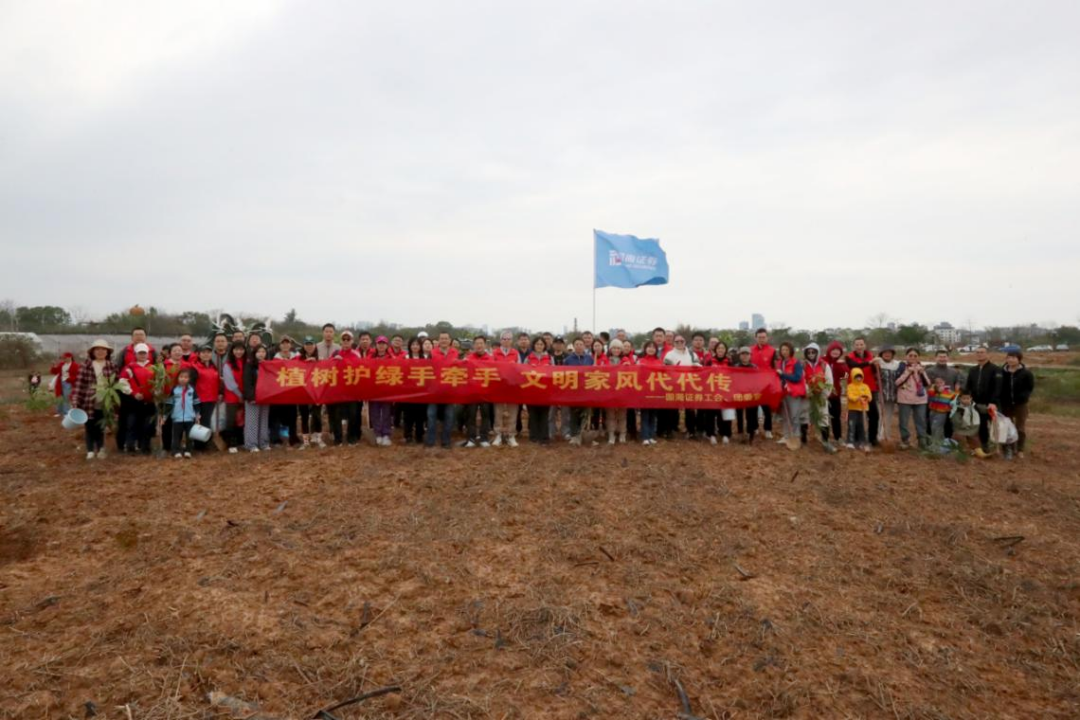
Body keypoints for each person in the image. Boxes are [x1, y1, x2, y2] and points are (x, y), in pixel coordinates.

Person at [71, 339, 118, 460]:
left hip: (105, 402)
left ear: (107, 352)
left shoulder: (112, 366)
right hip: (89, 402)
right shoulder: (86, 366)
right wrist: (76, 401)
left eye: (103, 349)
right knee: (90, 427)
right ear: (92, 352)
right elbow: (79, 385)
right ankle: (90, 450)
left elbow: (116, 383)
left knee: (101, 427)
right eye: (97, 349)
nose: (100, 352)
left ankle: (101, 448)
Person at [963, 346, 1001, 454]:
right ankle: (984, 445)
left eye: (982, 352)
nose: (980, 354)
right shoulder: (973, 370)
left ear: (987, 354)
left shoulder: (995, 369)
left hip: (991, 403)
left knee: (995, 426)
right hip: (976, 403)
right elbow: (968, 387)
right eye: (978, 352)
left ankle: (999, 447)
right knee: (981, 425)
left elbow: (998, 387)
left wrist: (993, 402)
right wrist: (966, 399)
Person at [999, 349, 1035, 460]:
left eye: (1013, 358)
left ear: (1019, 359)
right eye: (1009, 357)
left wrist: (1023, 397)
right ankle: (1008, 449)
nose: (1011, 360)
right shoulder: (1001, 372)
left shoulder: (1026, 373)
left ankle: (1020, 449)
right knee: (1006, 427)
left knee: (1020, 427)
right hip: (1005, 404)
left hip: (1020, 404)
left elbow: (1029, 388)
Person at [426, 332, 459, 449]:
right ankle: (430, 440)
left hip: (450, 390)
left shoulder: (456, 353)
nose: (444, 340)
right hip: (434, 389)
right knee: (431, 414)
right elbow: (427, 368)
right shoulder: (432, 353)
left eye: (446, 338)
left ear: (450, 340)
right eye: (442, 338)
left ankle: (446, 440)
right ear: (438, 340)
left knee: (449, 415)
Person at [664, 335, 701, 439]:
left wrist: (696, 366)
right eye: (677, 341)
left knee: (690, 409)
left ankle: (691, 431)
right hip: (674, 385)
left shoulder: (692, 354)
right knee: (672, 409)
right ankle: (670, 430)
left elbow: (699, 367)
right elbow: (666, 369)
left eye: (682, 341)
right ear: (674, 343)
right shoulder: (669, 355)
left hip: (689, 385)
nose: (680, 343)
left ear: (685, 342)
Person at [329, 331, 363, 446]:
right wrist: (334, 361)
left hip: (352, 390)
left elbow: (361, 369)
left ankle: (351, 438)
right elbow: (327, 368)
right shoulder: (335, 353)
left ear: (352, 341)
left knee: (353, 415)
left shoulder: (356, 354)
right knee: (337, 415)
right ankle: (338, 438)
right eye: (344, 339)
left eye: (348, 339)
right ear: (340, 341)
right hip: (338, 390)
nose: (346, 341)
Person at [895, 348, 931, 449]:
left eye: (915, 356)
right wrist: (907, 372)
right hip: (904, 398)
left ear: (918, 357)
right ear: (906, 356)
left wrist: (922, 373)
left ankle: (922, 441)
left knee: (921, 420)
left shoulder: (921, 368)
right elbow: (897, 383)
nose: (913, 357)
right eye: (910, 355)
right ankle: (905, 441)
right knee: (904, 421)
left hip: (920, 399)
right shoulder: (901, 367)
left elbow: (928, 383)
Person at [846, 338, 880, 446]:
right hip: (855, 390)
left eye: (861, 344)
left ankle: (872, 438)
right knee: (857, 415)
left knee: (874, 415)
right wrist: (869, 362)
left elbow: (875, 371)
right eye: (857, 344)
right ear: (854, 346)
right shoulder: (849, 357)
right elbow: (854, 366)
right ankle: (856, 438)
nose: (859, 347)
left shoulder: (871, 356)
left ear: (865, 345)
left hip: (869, 389)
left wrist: (876, 365)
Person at [802, 343, 835, 450]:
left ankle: (825, 440)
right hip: (807, 396)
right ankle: (803, 440)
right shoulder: (803, 365)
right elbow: (802, 379)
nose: (811, 354)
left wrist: (824, 394)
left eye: (813, 352)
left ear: (817, 353)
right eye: (808, 352)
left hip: (821, 396)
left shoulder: (824, 365)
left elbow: (829, 380)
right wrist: (807, 391)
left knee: (823, 417)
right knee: (804, 416)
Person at [491, 332, 521, 447]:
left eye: (509, 339)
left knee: (513, 411)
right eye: (504, 339)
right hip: (498, 386)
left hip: (512, 386)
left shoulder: (515, 353)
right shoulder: (495, 353)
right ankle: (498, 434)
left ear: (512, 341)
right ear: (500, 340)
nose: (506, 340)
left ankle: (511, 435)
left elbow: (520, 369)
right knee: (498, 411)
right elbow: (490, 367)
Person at [925, 350, 961, 440]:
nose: (942, 359)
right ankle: (931, 441)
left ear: (948, 358)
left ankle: (947, 442)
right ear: (935, 358)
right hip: (933, 403)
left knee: (948, 425)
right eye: (940, 357)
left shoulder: (954, 372)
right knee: (931, 424)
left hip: (949, 403)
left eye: (944, 357)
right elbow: (926, 387)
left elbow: (957, 386)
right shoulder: (929, 371)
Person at [775, 342, 807, 445]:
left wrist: (783, 374)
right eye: (782, 350)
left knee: (794, 416)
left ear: (791, 351)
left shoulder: (796, 363)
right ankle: (786, 436)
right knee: (785, 416)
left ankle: (796, 437)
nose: (784, 352)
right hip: (782, 392)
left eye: (786, 350)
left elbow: (797, 377)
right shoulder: (779, 363)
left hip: (793, 393)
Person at [269, 337, 298, 447]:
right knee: (275, 416)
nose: (285, 345)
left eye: (287, 343)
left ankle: (293, 437)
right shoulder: (274, 360)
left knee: (292, 415)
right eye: (283, 343)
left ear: (290, 345)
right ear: (279, 345)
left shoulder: (296, 358)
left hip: (292, 392)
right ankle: (275, 439)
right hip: (278, 393)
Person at [242, 345, 271, 452]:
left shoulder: (268, 365)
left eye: (263, 351)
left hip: (265, 397)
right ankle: (251, 444)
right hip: (253, 398)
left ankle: (263, 443)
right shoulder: (249, 365)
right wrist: (251, 397)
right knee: (252, 421)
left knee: (264, 421)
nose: (261, 354)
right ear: (254, 353)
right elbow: (247, 383)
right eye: (258, 352)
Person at [564, 337, 593, 445]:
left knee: (585, 413)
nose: (579, 346)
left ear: (584, 346)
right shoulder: (568, 360)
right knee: (574, 414)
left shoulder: (589, 359)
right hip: (573, 391)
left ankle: (582, 434)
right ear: (573, 346)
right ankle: (574, 436)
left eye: (581, 344)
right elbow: (564, 374)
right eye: (577, 344)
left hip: (586, 390)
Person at [220, 342, 248, 453]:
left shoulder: (247, 362)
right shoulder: (228, 364)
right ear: (232, 351)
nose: (239, 352)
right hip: (232, 396)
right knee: (231, 420)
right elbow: (230, 383)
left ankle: (241, 441)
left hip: (246, 396)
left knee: (242, 419)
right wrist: (240, 395)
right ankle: (231, 443)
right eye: (236, 349)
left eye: (241, 349)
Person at [704, 342, 732, 445]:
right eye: (719, 348)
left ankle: (725, 434)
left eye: (723, 348)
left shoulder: (729, 362)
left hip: (726, 391)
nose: (720, 350)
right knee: (710, 414)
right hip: (712, 391)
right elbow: (704, 375)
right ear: (715, 350)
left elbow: (734, 375)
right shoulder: (710, 361)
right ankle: (711, 434)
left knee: (726, 414)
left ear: (725, 350)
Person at [750, 329, 777, 439]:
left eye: (763, 337)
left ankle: (768, 429)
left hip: (766, 384)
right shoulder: (750, 350)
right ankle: (754, 428)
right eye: (759, 337)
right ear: (755, 338)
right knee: (753, 408)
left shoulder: (772, 351)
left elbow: (775, 367)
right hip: (752, 384)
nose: (761, 339)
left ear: (767, 338)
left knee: (767, 408)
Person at [401, 337, 428, 445]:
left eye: (417, 344)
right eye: (413, 344)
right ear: (409, 346)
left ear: (420, 346)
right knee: (408, 415)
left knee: (420, 415)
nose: (415, 346)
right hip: (408, 391)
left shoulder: (426, 358)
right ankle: (408, 435)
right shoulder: (405, 358)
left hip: (422, 391)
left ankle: (419, 435)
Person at [603, 339, 631, 444]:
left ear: (621, 350)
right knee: (610, 414)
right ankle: (611, 434)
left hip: (622, 390)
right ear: (610, 349)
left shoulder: (626, 360)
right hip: (609, 390)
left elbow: (632, 373)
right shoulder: (605, 360)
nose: (616, 350)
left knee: (622, 414)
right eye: (614, 348)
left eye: (618, 348)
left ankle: (622, 433)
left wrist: (628, 366)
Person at [526, 336, 552, 444]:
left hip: (545, 391)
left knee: (544, 414)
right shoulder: (528, 358)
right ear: (534, 345)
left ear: (544, 346)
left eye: (541, 344)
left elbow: (554, 372)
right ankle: (534, 436)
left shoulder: (550, 358)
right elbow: (522, 372)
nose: (539, 346)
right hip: (531, 391)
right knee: (533, 414)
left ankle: (544, 437)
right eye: (537, 344)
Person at [169, 368, 200, 459]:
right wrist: (164, 415)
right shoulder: (174, 389)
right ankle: (176, 451)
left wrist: (197, 414)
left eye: (186, 377)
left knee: (190, 435)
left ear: (189, 379)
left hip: (189, 417)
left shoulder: (192, 390)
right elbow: (169, 403)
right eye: (181, 377)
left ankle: (188, 451)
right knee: (176, 436)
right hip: (177, 417)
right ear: (178, 378)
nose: (183, 379)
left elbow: (196, 403)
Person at [370, 336, 395, 446]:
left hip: (387, 390)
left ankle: (386, 434)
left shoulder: (392, 358)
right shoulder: (370, 358)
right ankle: (377, 433)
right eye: (379, 343)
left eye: (383, 343)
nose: (381, 345)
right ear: (376, 345)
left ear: (387, 345)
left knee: (386, 413)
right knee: (374, 412)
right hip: (374, 390)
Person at [637, 341, 662, 445]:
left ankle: (651, 435)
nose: (651, 349)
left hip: (656, 391)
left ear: (656, 350)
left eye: (653, 347)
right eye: (649, 347)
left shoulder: (659, 361)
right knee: (645, 414)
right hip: (644, 391)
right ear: (645, 349)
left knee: (653, 415)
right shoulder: (640, 361)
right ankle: (645, 436)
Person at [823, 341, 848, 442]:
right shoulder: (823, 361)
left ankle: (838, 437)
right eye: (833, 350)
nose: (835, 352)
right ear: (829, 350)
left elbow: (845, 375)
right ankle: (824, 437)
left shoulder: (840, 363)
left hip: (835, 394)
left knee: (836, 416)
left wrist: (842, 365)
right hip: (823, 393)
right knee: (824, 417)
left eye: (838, 350)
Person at [733, 347, 760, 444]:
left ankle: (750, 432)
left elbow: (759, 380)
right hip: (739, 393)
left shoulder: (754, 367)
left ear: (750, 356)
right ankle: (740, 432)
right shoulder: (735, 367)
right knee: (739, 414)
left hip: (751, 394)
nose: (745, 356)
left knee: (751, 414)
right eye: (743, 354)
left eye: (747, 354)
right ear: (740, 356)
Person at [874, 346, 900, 442]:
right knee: (880, 415)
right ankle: (878, 436)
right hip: (880, 394)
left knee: (888, 416)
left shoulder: (896, 364)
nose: (887, 354)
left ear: (892, 354)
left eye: (889, 352)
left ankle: (886, 435)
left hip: (891, 394)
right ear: (881, 354)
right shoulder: (877, 363)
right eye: (885, 352)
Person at [548, 336, 570, 440]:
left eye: (560, 343)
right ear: (553, 345)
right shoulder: (549, 357)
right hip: (552, 388)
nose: (558, 345)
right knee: (551, 412)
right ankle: (551, 431)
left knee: (565, 412)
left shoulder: (568, 357)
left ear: (563, 345)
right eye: (556, 343)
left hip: (565, 388)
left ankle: (565, 431)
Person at [846, 368, 872, 452]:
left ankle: (862, 442)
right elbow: (850, 396)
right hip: (853, 409)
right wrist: (857, 398)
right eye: (856, 377)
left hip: (863, 409)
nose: (858, 378)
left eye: (860, 377)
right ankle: (850, 441)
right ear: (853, 377)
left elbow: (869, 396)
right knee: (852, 425)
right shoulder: (850, 386)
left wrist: (867, 398)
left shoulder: (865, 386)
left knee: (862, 426)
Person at [950, 391, 983, 456]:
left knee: (975, 439)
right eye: (964, 399)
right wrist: (962, 425)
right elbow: (956, 419)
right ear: (960, 399)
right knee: (959, 438)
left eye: (968, 398)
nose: (966, 400)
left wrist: (988, 409)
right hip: (961, 428)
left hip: (971, 428)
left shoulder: (974, 406)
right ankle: (962, 450)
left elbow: (981, 408)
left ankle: (977, 450)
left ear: (971, 398)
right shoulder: (958, 408)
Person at [927, 377, 957, 446]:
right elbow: (930, 394)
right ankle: (938, 441)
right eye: (937, 383)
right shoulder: (933, 390)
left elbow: (955, 400)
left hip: (942, 412)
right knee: (932, 426)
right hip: (932, 411)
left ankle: (936, 443)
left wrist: (949, 407)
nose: (939, 384)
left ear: (944, 383)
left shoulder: (949, 391)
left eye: (941, 382)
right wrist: (936, 389)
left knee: (936, 427)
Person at [50, 352, 79, 417]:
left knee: (66, 397)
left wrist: (69, 379)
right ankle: (59, 412)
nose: (63, 359)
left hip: (69, 383)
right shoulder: (61, 364)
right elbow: (54, 372)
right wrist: (54, 367)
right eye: (63, 358)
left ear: (70, 357)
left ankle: (66, 412)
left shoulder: (75, 365)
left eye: (65, 358)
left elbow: (77, 375)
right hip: (60, 382)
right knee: (59, 397)